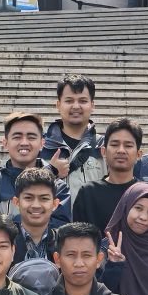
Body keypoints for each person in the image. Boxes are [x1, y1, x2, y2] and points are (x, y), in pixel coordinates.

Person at [71, 117, 148, 236]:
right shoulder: (88, 193)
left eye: (128, 146)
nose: (121, 150)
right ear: (103, 151)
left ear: (139, 154)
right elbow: (79, 238)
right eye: (114, 144)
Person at [0, 111, 64, 221]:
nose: (24, 142)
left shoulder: (58, 185)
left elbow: (59, 225)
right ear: (5, 143)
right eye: (17, 137)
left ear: (42, 143)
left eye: (31, 137)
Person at [41, 73, 104, 204]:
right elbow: (23, 187)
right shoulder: (41, 146)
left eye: (83, 101)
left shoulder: (105, 147)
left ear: (92, 105)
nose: (76, 106)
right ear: (58, 105)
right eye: (69, 101)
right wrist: (50, 172)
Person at [7, 165, 64, 270]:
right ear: (16, 202)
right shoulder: (5, 241)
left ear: (55, 204)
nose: (36, 205)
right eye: (28, 198)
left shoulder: (64, 243)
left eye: (44, 198)